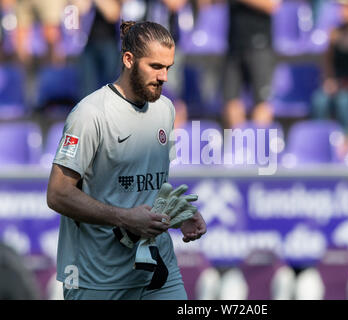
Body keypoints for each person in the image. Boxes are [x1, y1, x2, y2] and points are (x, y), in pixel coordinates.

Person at [46, 20, 207, 300]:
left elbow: (150, 181)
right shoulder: (89, 115)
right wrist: (125, 218)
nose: (164, 77)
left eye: (167, 67)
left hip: (157, 270)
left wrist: (178, 211)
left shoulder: (166, 110)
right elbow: (58, 194)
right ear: (129, 59)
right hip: (98, 278)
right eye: (155, 67)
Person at [312, 0, 348, 136]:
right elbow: (328, 63)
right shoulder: (334, 33)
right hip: (338, 84)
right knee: (319, 99)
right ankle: (318, 137)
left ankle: (346, 137)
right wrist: (329, 80)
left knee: (344, 100)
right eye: (341, 8)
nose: (343, 11)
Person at [222, 0, 280, 128]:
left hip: (260, 45)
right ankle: (237, 146)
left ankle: (258, 146)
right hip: (234, 46)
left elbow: (272, 4)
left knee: (262, 103)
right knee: (231, 103)